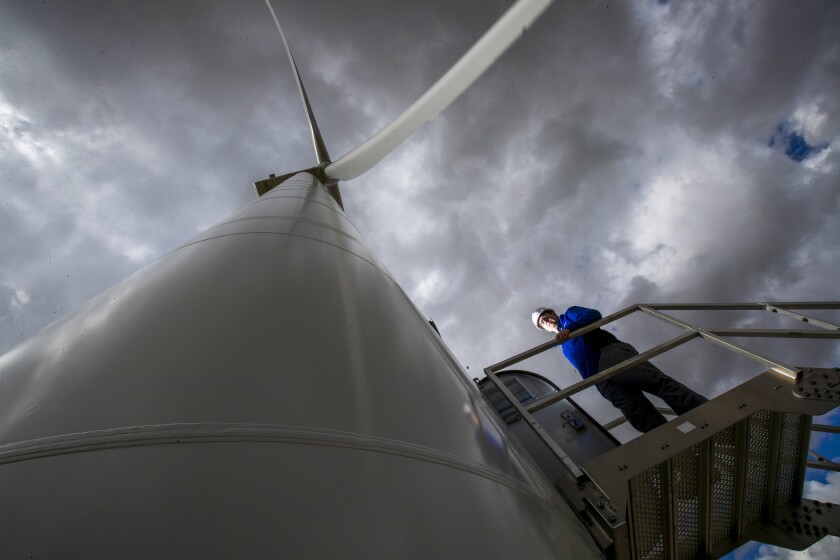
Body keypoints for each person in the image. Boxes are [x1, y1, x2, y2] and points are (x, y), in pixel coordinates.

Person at [531, 305, 708, 433]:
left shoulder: (569, 315)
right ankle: (668, 441)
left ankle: (702, 412)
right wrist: (600, 387)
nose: (546, 320)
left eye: (547, 315)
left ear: (554, 313)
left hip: (609, 353)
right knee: (634, 409)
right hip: (599, 377)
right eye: (542, 322)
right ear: (543, 329)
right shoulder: (564, 348)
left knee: (654, 382)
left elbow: (593, 314)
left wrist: (570, 329)